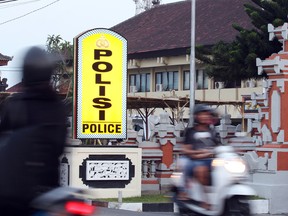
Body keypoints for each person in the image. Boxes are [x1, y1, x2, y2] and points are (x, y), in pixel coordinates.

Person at [0, 46, 67, 215]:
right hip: (48, 190)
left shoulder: (14, 104)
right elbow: (59, 147)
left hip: (13, 193)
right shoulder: (57, 106)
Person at [181, 104, 219, 208]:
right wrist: (196, 154)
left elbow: (218, 147)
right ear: (196, 116)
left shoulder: (213, 131)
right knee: (200, 170)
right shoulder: (190, 131)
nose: (205, 116)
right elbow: (186, 148)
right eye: (202, 114)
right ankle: (204, 199)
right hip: (195, 160)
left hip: (211, 160)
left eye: (207, 114)